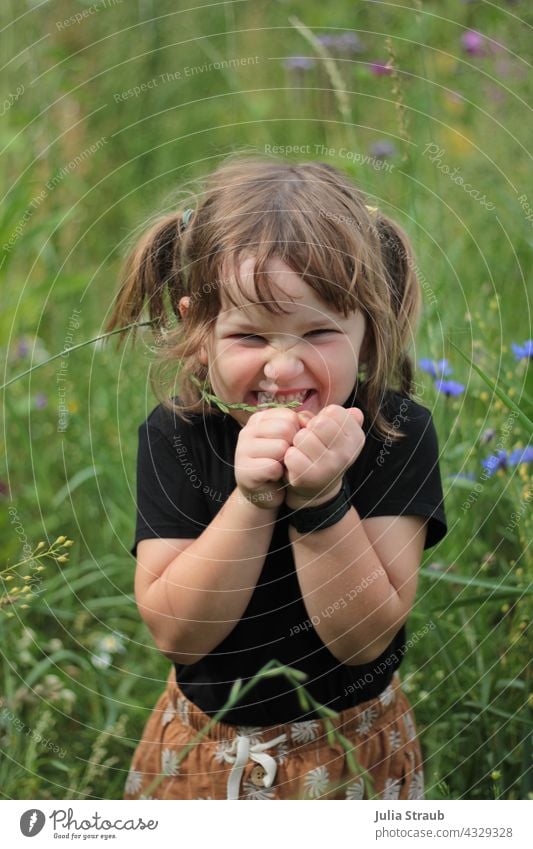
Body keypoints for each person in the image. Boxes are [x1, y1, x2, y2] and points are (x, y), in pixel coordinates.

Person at [106, 155, 447, 801]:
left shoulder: (395, 434)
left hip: (351, 751)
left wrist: (319, 498)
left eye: (318, 330)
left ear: (369, 332)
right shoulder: (177, 435)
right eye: (248, 335)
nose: (283, 365)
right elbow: (176, 633)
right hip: (201, 749)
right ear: (198, 330)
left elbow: (363, 638)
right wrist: (253, 496)